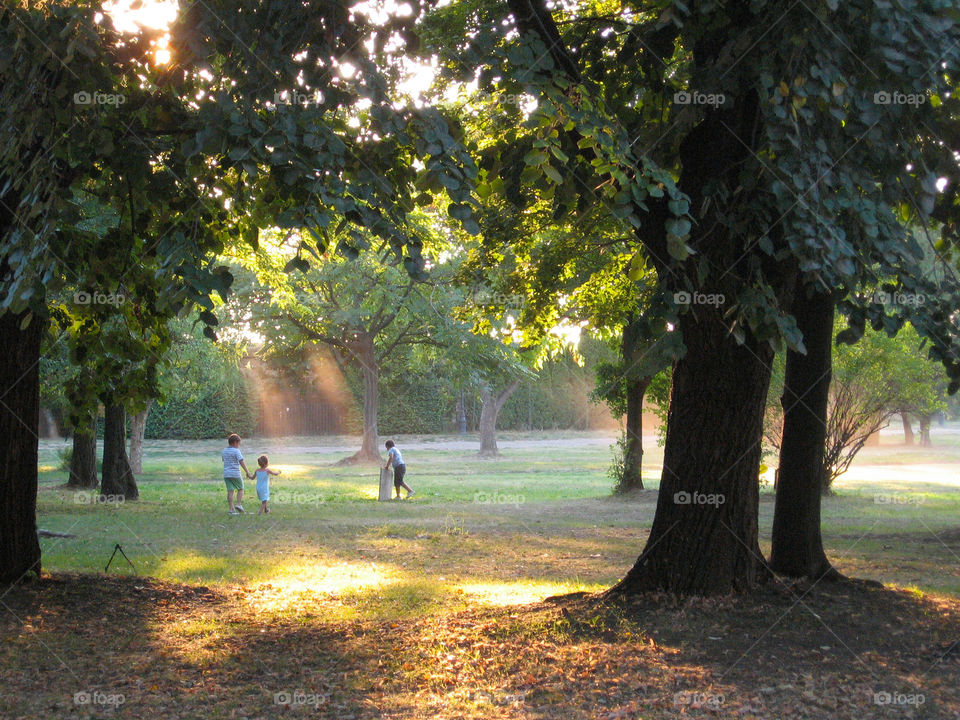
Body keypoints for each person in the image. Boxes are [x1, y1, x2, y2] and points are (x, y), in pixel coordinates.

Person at [222, 434, 250, 515]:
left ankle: (231, 509)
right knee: (241, 488)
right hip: (235, 473)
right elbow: (241, 461)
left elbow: (224, 460)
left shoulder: (224, 451)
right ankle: (238, 504)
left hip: (226, 474)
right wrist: (247, 471)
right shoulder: (236, 451)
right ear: (235, 442)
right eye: (238, 444)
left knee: (230, 491)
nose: (238, 446)